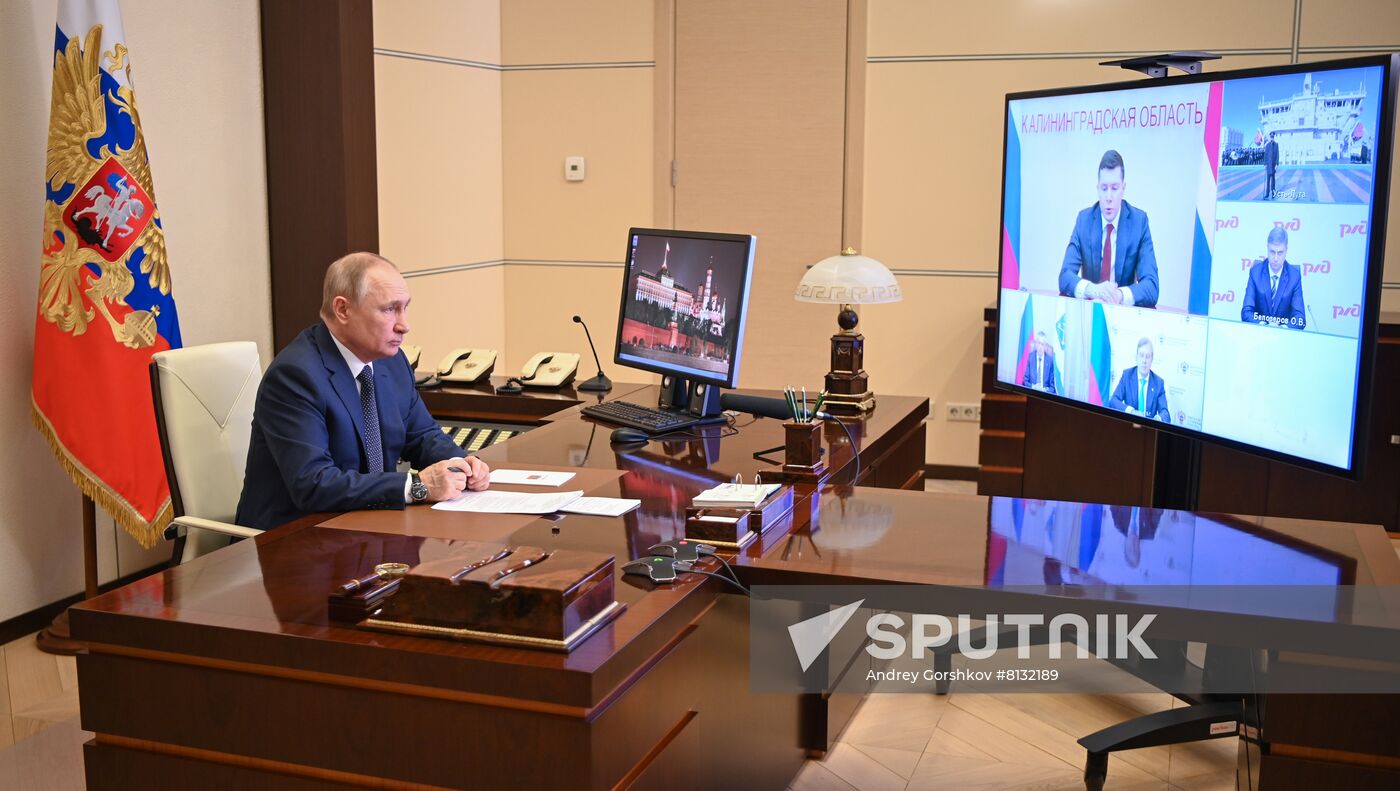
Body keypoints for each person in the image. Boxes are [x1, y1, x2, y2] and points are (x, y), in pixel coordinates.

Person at [236, 252, 490, 530]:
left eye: (405, 308)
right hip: (296, 538)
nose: (404, 325)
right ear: (343, 309)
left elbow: (422, 436)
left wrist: (461, 463)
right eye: (389, 309)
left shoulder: (391, 362)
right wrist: (418, 486)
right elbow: (313, 483)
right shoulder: (295, 376)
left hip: (368, 528)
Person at [1058, 150, 1159, 308]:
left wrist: (1118, 295)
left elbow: (1152, 287)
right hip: (1089, 314)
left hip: (1124, 319)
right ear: (1097, 189)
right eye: (1104, 188)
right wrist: (1095, 290)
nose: (1109, 197)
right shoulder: (1084, 221)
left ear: (1123, 188)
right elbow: (1065, 277)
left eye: (1115, 188)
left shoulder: (1139, 223)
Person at [1240, 227, 1305, 330]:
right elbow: (1246, 312)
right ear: (1267, 248)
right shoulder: (1255, 273)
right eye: (1272, 252)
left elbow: (1300, 319)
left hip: (1285, 338)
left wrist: (1283, 328)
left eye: (1280, 253)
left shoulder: (1294, 276)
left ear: (1286, 250)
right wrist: (1263, 325)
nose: (1275, 258)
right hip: (1258, 333)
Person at [1108, 337, 1171, 423]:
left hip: (1149, 430)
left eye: (1147, 356)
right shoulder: (1127, 376)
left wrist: (1158, 418)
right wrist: (1131, 411)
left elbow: (1165, 413)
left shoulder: (1158, 383)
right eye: (1141, 355)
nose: (1144, 360)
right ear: (1136, 357)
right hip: (1128, 427)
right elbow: (1113, 401)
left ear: (1152, 359)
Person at [1263, 132, 1279, 200]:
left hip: (1273, 165)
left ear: (1274, 137)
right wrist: (1265, 164)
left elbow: (1277, 154)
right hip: (1268, 165)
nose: (1272, 138)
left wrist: (1277, 164)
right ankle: (1267, 193)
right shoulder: (1267, 145)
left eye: (1273, 137)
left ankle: (1273, 193)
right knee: (1268, 180)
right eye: (1271, 137)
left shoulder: (1276, 145)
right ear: (1270, 137)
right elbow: (1265, 155)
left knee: (1273, 180)